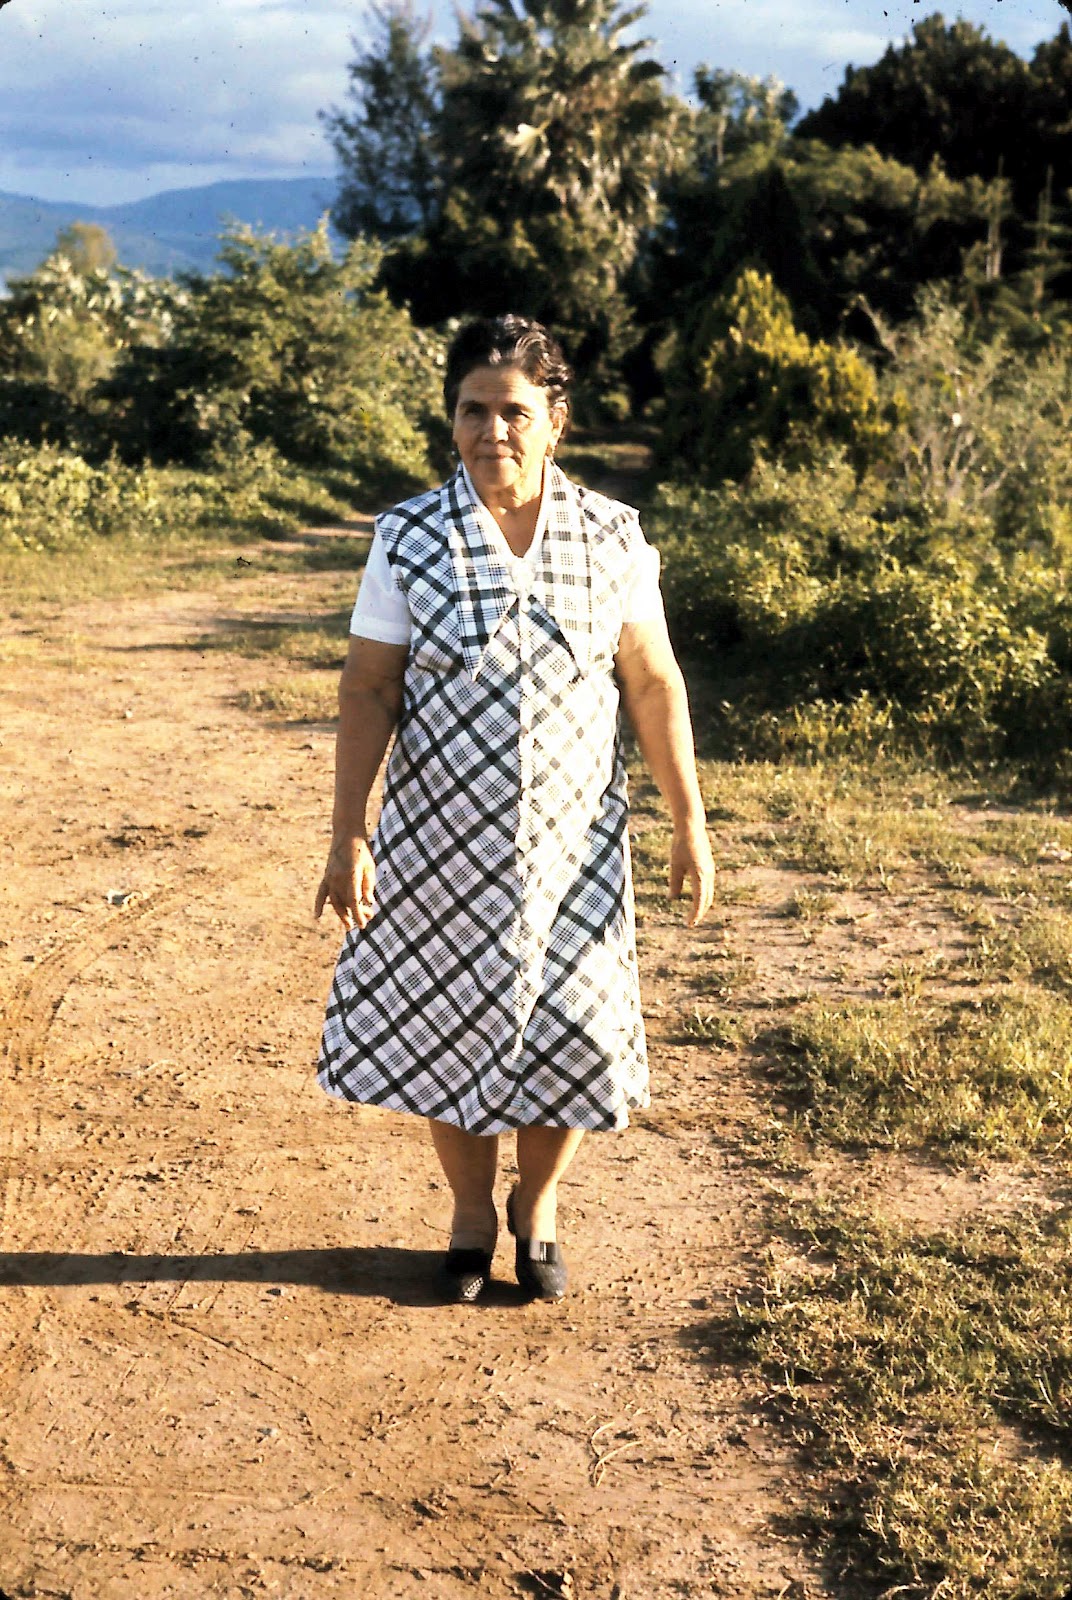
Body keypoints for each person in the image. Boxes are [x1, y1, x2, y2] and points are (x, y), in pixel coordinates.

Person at [315, 314, 714, 1304]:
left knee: (572, 1031)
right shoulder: (408, 537)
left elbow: (652, 682)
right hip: (440, 845)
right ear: (451, 419)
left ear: (555, 421)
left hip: (576, 849)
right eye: (472, 410)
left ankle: (537, 1206)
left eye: (513, 412)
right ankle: (468, 1215)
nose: (491, 429)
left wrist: (688, 822)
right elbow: (369, 687)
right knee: (451, 1026)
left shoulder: (612, 535)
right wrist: (348, 833)